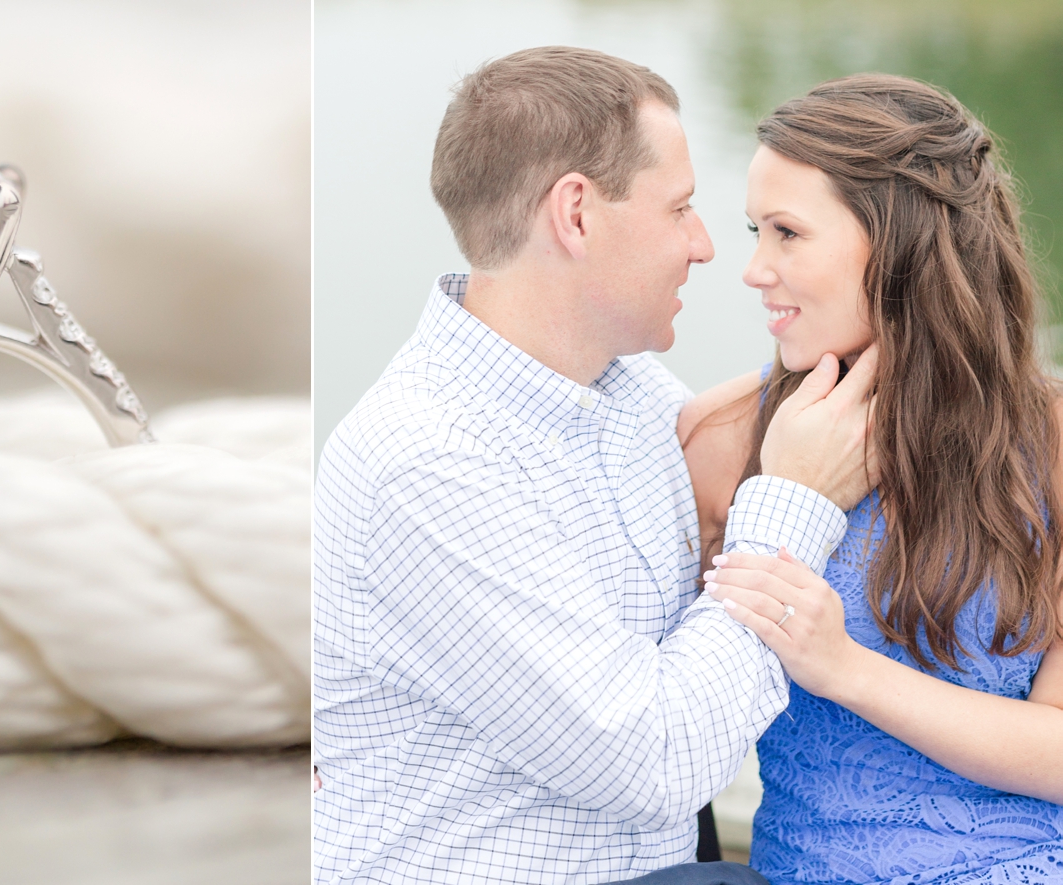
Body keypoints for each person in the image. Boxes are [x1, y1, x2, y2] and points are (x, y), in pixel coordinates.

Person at [313, 46, 874, 884]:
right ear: (575, 214)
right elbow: (655, 762)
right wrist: (794, 498)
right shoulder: (427, 461)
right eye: (679, 208)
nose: (706, 245)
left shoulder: (639, 394)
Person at [681, 74, 1063, 883]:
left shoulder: (1051, 439)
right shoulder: (722, 440)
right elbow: (657, 716)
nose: (754, 269)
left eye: (787, 233)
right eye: (756, 230)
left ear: (897, 240)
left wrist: (845, 667)